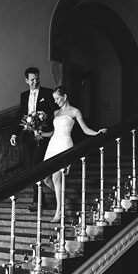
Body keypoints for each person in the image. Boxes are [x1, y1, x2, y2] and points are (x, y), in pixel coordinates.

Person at [42, 86, 107, 222]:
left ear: (65, 97)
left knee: (56, 178)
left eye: (58, 98)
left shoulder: (75, 111)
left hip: (65, 145)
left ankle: (59, 212)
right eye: (55, 99)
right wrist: (41, 134)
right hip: (52, 145)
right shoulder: (55, 113)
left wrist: (97, 133)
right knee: (46, 178)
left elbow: (85, 129)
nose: (56, 101)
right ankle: (62, 199)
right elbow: (54, 132)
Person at [9, 67, 56, 212]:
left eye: (37, 79)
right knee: (30, 168)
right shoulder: (24, 95)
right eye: (32, 80)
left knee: (37, 165)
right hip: (27, 136)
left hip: (42, 135)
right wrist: (14, 134)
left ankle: (38, 201)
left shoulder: (47, 92)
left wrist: (49, 130)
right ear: (26, 81)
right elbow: (21, 116)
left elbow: (54, 112)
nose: (35, 82)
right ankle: (40, 199)